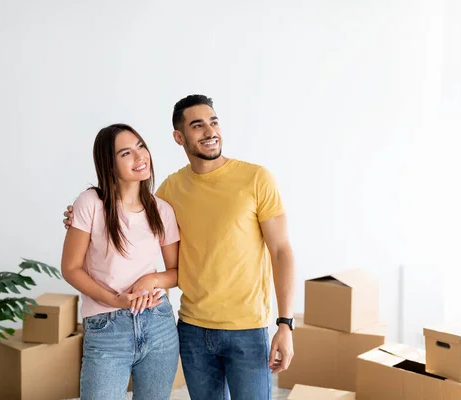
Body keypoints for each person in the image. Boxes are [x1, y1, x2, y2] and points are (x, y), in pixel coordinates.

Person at [64, 95, 296, 400]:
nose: (210, 131)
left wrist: (286, 324)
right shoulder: (169, 191)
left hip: (246, 329)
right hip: (192, 329)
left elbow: (281, 251)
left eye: (213, 122)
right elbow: (127, 209)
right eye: (197, 125)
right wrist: (79, 214)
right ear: (179, 137)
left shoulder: (256, 179)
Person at [61, 123, 180, 400]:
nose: (140, 157)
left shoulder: (162, 210)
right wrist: (116, 300)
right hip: (106, 327)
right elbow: (70, 268)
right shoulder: (90, 203)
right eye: (126, 153)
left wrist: (151, 280)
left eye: (141, 147)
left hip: (159, 323)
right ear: (108, 163)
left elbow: (177, 272)